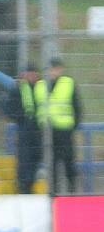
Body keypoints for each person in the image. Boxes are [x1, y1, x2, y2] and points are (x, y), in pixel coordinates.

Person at [34, 57, 82, 194]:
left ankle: (72, 194)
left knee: (68, 164)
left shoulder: (68, 83)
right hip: (48, 132)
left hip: (65, 131)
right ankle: (53, 195)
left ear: (61, 69)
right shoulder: (40, 85)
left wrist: (73, 126)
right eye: (51, 69)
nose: (54, 72)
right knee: (52, 165)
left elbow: (77, 107)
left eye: (56, 68)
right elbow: (38, 107)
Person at [1, 64, 42, 193]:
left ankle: (30, 185)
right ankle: (24, 187)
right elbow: (7, 107)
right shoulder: (18, 88)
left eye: (33, 74)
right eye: (29, 74)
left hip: (39, 129)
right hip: (24, 129)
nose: (31, 77)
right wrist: (21, 117)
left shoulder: (41, 87)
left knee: (36, 158)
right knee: (24, 159)